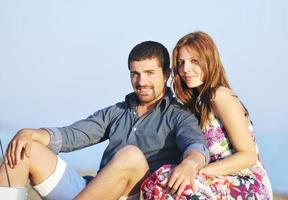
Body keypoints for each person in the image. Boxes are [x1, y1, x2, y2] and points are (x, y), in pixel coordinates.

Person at [0, 41, 210, 200]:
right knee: (25, 147)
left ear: (166, 74)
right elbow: (75, 134)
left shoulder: (178, 115)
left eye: (149, 73)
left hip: (132, 195)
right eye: (135, 74)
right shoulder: (117, 111)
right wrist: (35, 134)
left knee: (131, 155)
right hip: (92, 191)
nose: (141, 81)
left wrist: (190, 163)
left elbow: (196, 145)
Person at [141, 32, 273, 199]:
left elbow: (248, 156)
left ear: (209, 59)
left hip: (245, 181)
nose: (185, 69)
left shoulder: (220, 96)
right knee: (164, 178)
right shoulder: (192, 106)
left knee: (175, 183)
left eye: (194, 61)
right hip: (213, 179)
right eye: (181, 63)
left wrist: (199, 171)